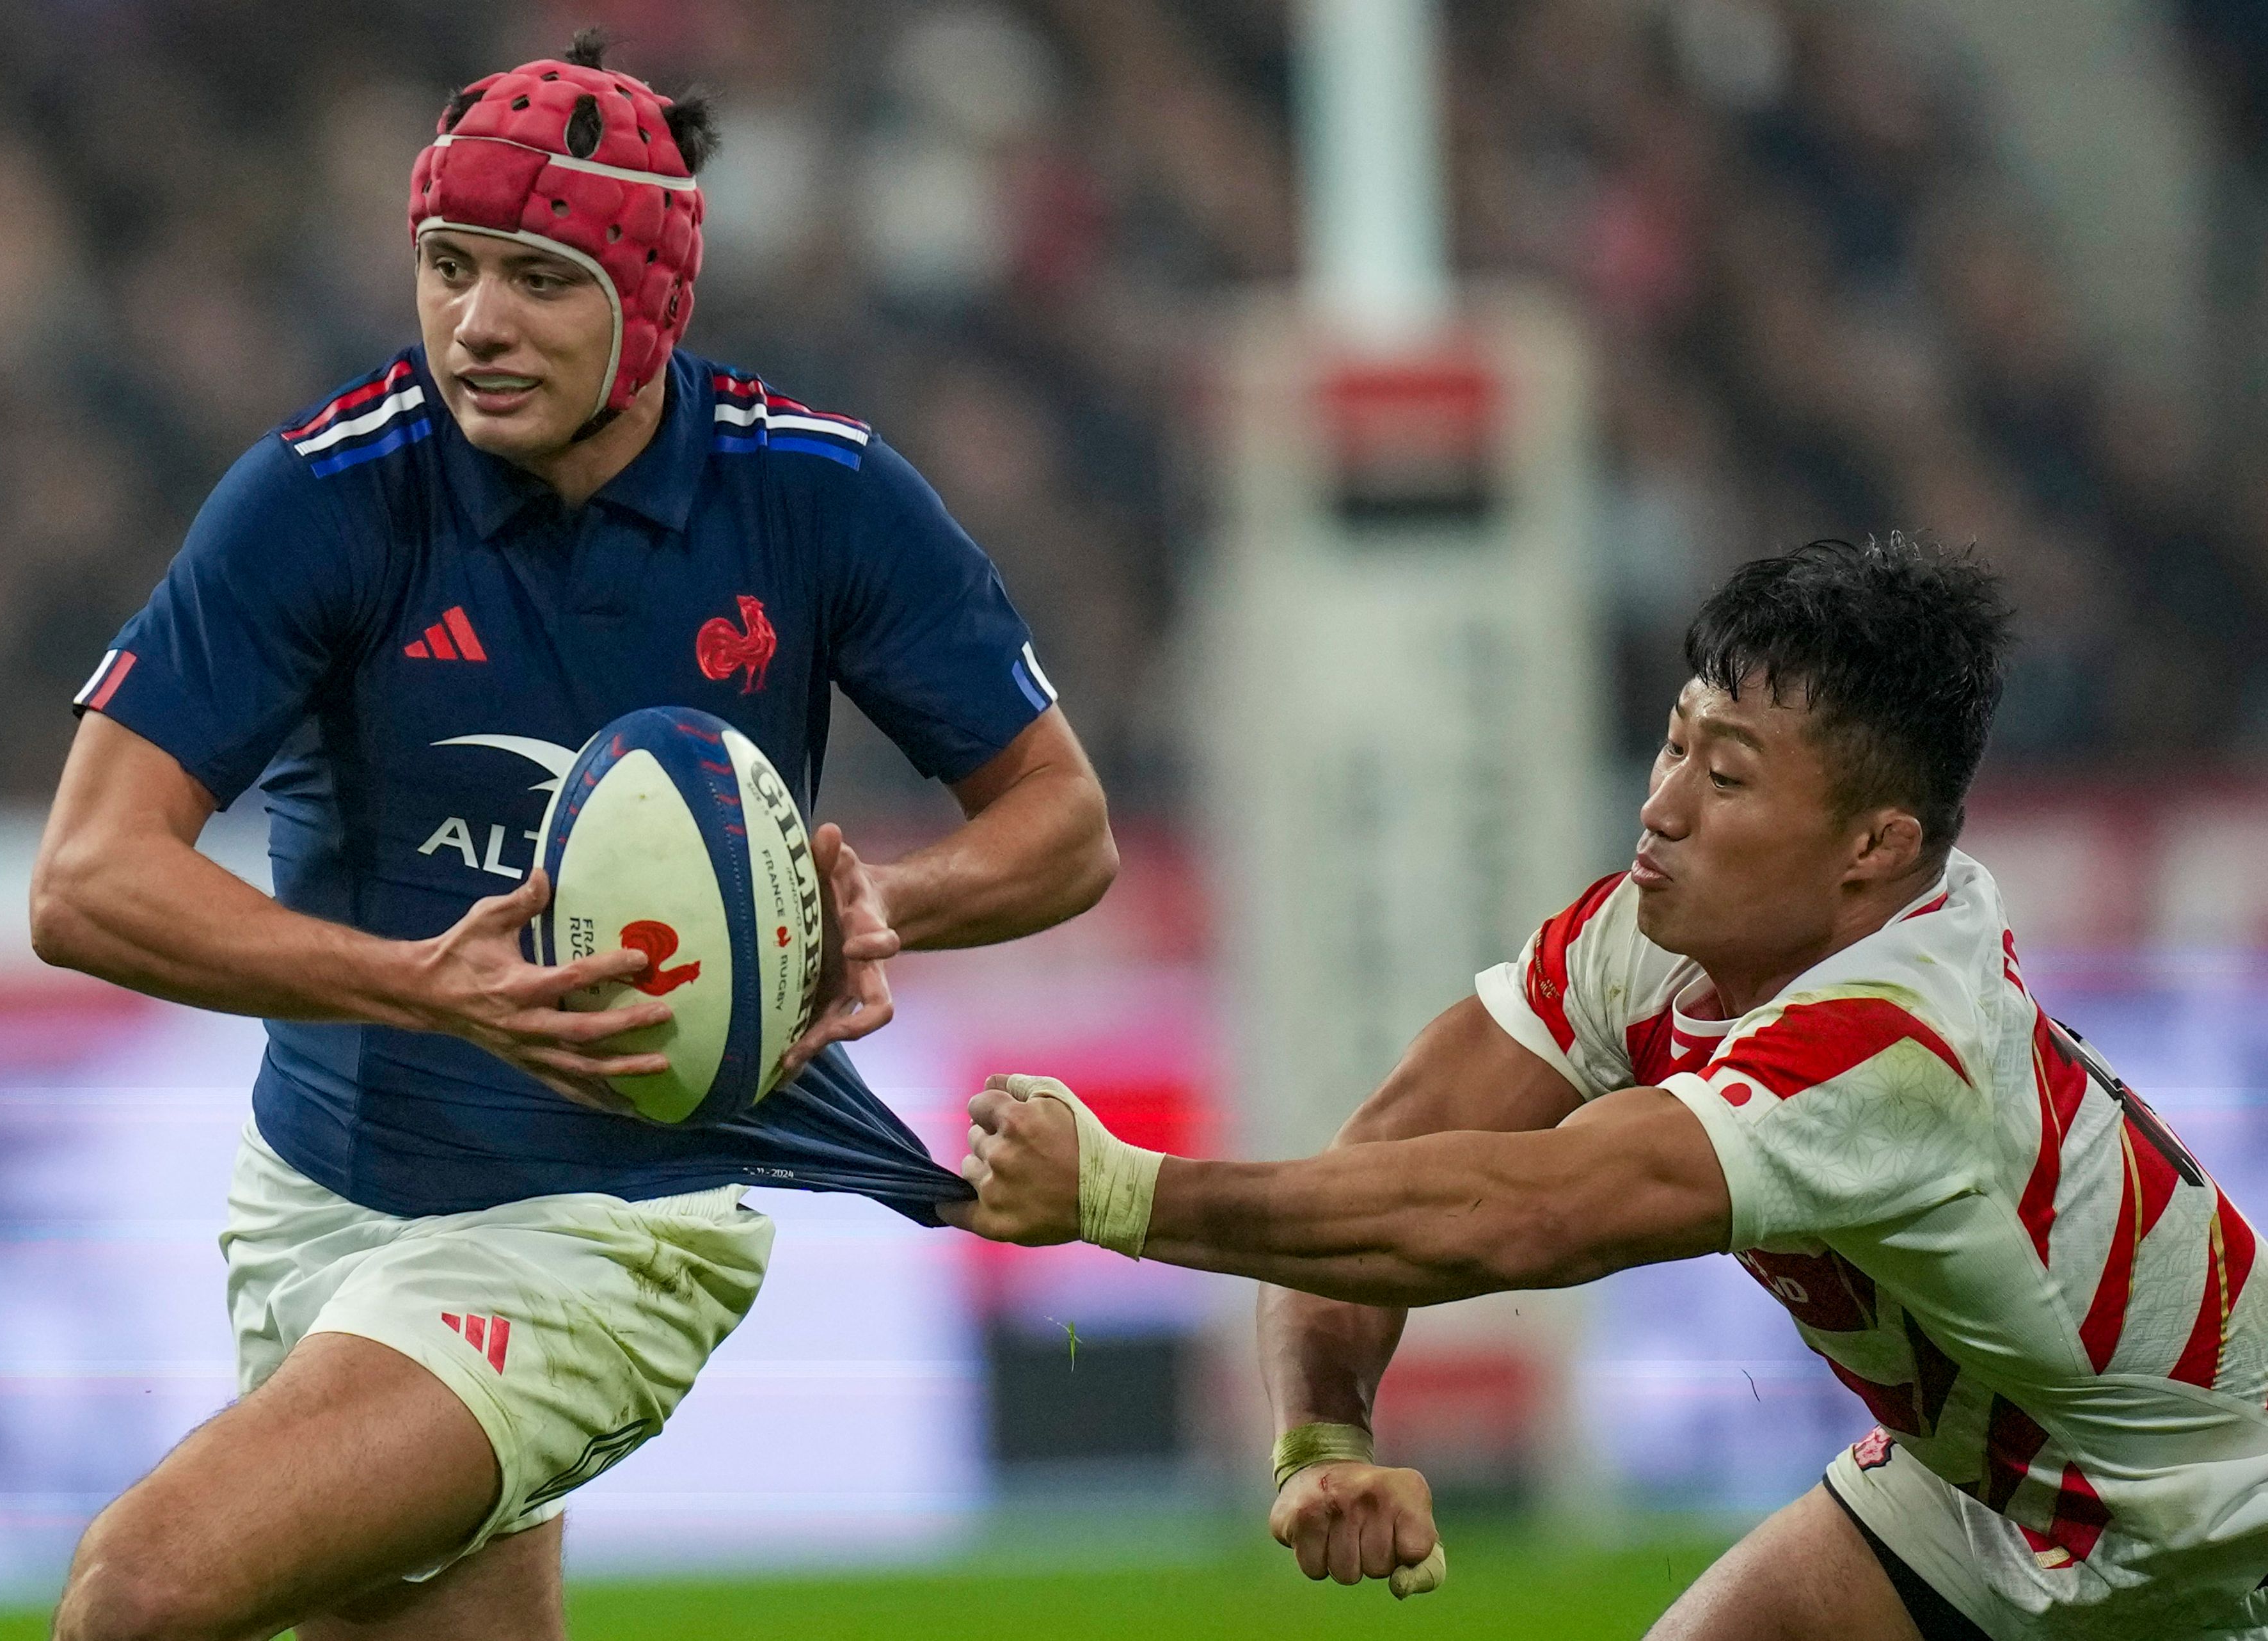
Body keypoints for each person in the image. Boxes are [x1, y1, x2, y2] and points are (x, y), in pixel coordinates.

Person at [31, 31, 1116, 1641]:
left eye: (537, 278)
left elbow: (1063, 824)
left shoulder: (817, 496)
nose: (476, 323)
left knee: (142, 1590)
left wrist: (853, 911)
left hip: (616, 1220)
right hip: (319, 1202)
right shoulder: (325, 495)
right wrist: (424, 984)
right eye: (447, 265)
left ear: (651, 299)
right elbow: (85, 882)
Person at [948, 537, 2268, 1641]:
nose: (1665, 805)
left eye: (1729, 773)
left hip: (2213, 1529)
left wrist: (1118, 1191)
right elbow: (1392, 1157)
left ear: (1875, 847)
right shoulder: (1655, 934)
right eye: (1676, 743)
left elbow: (1518, 1213)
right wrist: (1324, 1432)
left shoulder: (1897, 1042)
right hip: (1983, 1489)